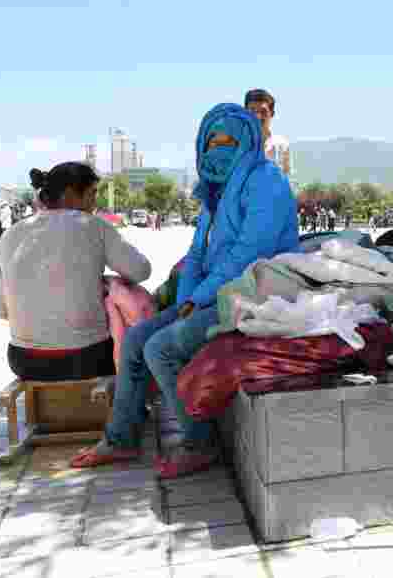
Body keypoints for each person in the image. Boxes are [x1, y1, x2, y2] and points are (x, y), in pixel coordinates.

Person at [71, 103, 299, 477]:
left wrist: (198, 297)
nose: (217, 148)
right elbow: (197, 254)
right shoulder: (213, 190)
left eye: (228, 140)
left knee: (161, 348)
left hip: (256, 291)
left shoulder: (265, 180)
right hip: (216, 293)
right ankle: (120, 439)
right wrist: (185, 300)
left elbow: (248, 252)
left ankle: (198, 443)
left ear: (247, 141)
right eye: (211, 140)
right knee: (135, 341)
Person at [0, 163, 151, 382]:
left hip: (23, 360)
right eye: (92, 194)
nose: (95, 203)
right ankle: (132, 407)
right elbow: (141, 270)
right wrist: (107, 284)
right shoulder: (93, 225)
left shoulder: (11, 234)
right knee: (128, 300)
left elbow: (1, 311)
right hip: (86, 358)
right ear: (69, 194)